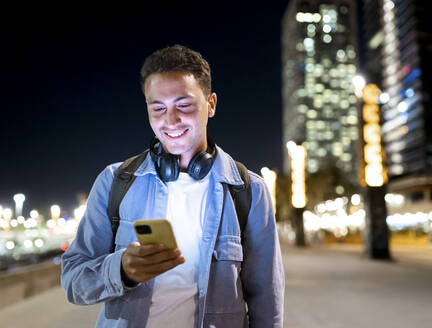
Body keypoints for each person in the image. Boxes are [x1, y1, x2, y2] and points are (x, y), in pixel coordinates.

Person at [61, 45, 285, 327]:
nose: (171, 121)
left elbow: (268, 302)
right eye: (158, 108)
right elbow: (72, 279)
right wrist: (120, 270)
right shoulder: (114, 181)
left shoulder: (249, 190)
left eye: (184, 105)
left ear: (211, 104)